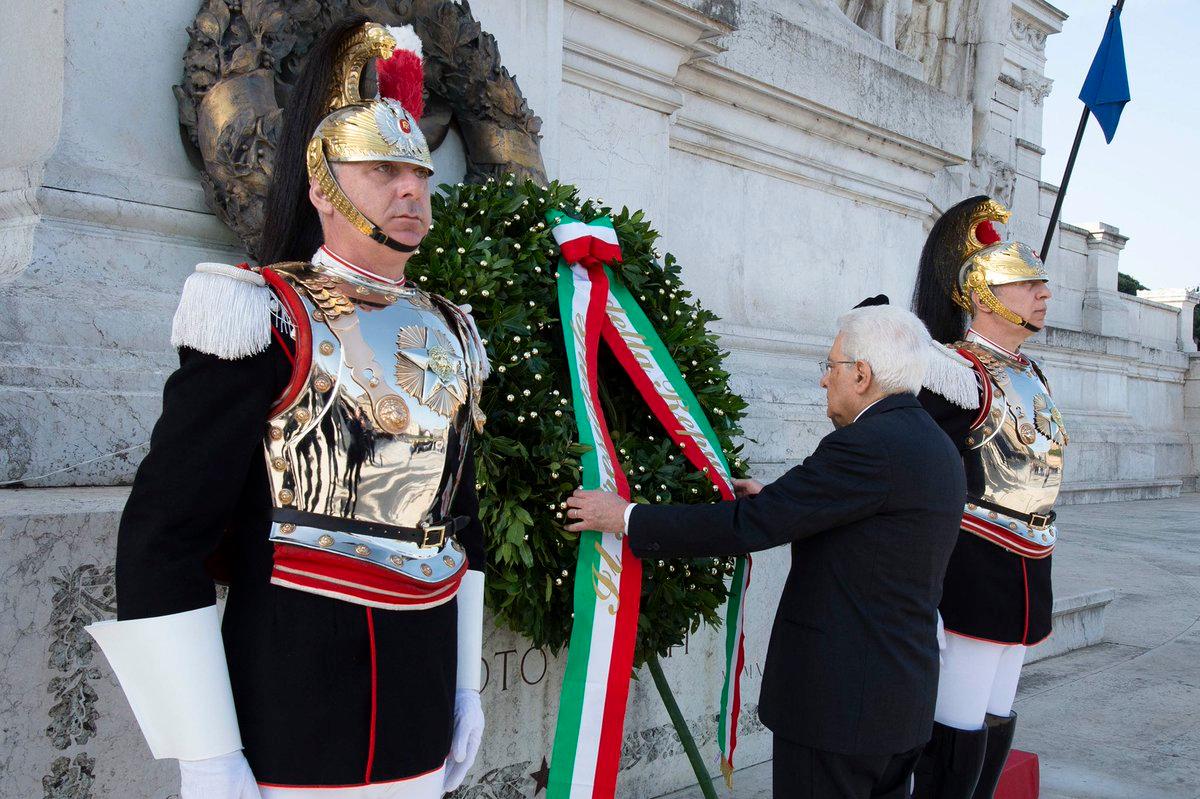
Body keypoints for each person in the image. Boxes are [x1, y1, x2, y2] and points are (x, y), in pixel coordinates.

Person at [87, 19, 489, 799]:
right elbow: (164, 533)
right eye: (381, 169)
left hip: (419, 709)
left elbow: (458, 525)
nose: (411, 187)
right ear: (323, 185)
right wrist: (205, 743)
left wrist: (464, 686)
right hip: (295, 713)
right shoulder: (260, 315)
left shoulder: (452, 330)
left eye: (419, 171)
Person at [565, 304, 966, 799]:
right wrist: (779, 501)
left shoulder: (867, 445)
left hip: (839, 712)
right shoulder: (932, 442)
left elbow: (747, 526)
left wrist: (626, 517)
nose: (824, 381)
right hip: (896, 704)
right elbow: (872, 534)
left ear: (861, 375)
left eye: (831, 366)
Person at [910, 196, 1066, 799]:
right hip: (975, 557)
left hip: (1031, 553)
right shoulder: (952, 372)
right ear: (981, 291)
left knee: (1001, 698)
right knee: (963, 704)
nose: (1042, 293)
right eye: (1026, 282)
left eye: (1041, 283)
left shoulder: (1031, 371)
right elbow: (918, 468)